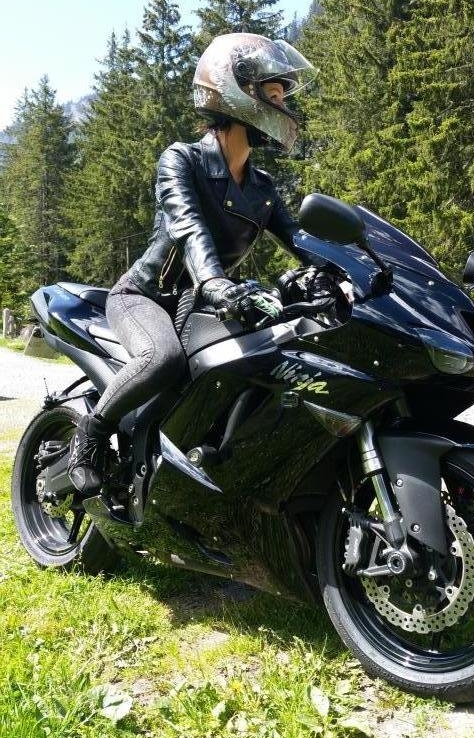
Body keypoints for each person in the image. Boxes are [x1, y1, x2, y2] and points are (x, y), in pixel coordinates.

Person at [67, 32, 318, 496]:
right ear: (237, 95)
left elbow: (300, 239)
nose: (284, 107)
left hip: (202, 304)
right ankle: (92, 432)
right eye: (274, 95)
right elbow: (189, 229)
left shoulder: (262, 187)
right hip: (146, 297)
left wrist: (355, 272)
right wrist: (215, 283)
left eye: (283, 97)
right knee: (162, 358)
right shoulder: (181, 160)